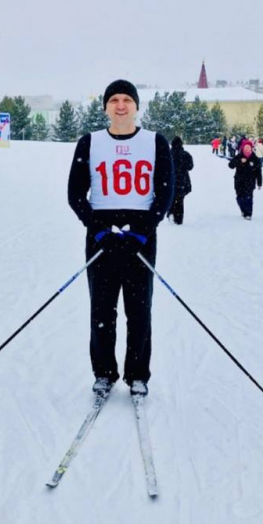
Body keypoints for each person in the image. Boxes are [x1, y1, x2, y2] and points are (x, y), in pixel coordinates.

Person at [67, 79, 174, 399]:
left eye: (127, 99)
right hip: (103, 234)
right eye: (114, 99)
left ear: (137, 106)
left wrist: (144, 230)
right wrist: (97, 229)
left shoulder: (156, 142)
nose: (121, 105)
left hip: (140, 234)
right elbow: (75, 194)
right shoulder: (90, 142)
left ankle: (138, 374)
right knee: (101, 310)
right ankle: (103, 373)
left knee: (139, 310)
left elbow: (166, 193)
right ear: (105, 107)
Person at [228, 139, 262, 219]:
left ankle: (248, 214)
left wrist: (259, 183)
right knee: (239, 197)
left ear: (251, 148)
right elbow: (230, 165)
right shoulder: (239, 156)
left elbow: (258, 172)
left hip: (250, 181)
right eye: (245, 147)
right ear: (243, 148)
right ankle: (243, 210)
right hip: (239, 181)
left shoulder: (255, 159)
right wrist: (239, 161)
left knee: (248, 198)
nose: (247, 149)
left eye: (248, 147)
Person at [168, 135, 194, 225]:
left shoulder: (167, 154)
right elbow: (190, 167)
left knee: (170, 199)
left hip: (170, 180)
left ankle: (170, 213)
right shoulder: (186, 154)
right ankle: (178, 219)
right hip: (183, 180)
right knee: (180, 201)